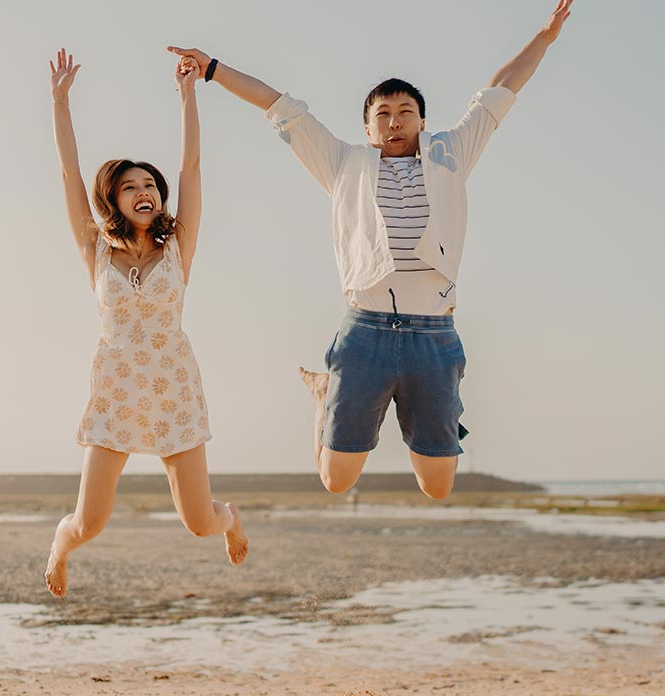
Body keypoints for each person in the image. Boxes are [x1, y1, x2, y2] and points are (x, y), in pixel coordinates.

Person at [168, 0, 574, 500]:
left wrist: (546, 35)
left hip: (434, 334)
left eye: (406, 112)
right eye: (382, 114)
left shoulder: (451, 154)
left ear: (423, 121)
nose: (395, 121)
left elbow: (502, 86)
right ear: (367, 128)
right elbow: (276, 103)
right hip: (366, 330)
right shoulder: (343, 164)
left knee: (438, 487)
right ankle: (325, 397)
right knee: (336, 482)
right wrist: (211, 68)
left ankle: (383, 402)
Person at [44, 48, 249, 598]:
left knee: (200, 522)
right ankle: (58, 549)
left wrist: (187, 95)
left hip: (173, 387)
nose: (146, 193)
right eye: (131, 187)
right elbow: (68, 170)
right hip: (116, 389)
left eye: (150, 187)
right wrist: (60, 103)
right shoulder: (96, 248)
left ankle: (230, 516)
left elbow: (190, 168)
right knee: (88, 524)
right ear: (112, 198)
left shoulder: (180, 245)